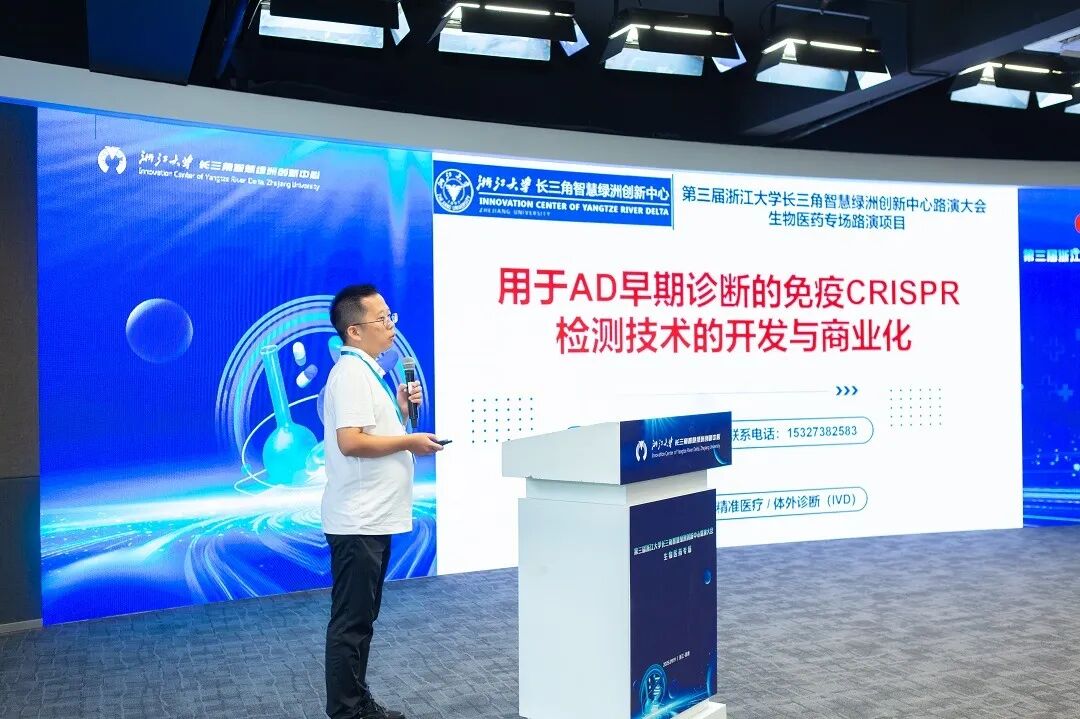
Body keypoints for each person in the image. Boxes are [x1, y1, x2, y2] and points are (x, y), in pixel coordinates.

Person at [322, 284, 443, 719]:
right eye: (382, 319)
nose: (391, 326)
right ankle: (347, 711)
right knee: (352, 622)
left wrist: (400, 411)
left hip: (370, 517)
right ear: (354, 330)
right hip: (359, 519)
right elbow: (352, 442)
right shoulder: (352, 374)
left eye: (391, 316)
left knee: (361, 619)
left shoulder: (366, 371)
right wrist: (410, 440)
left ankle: (357, 704)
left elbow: (370, 432)